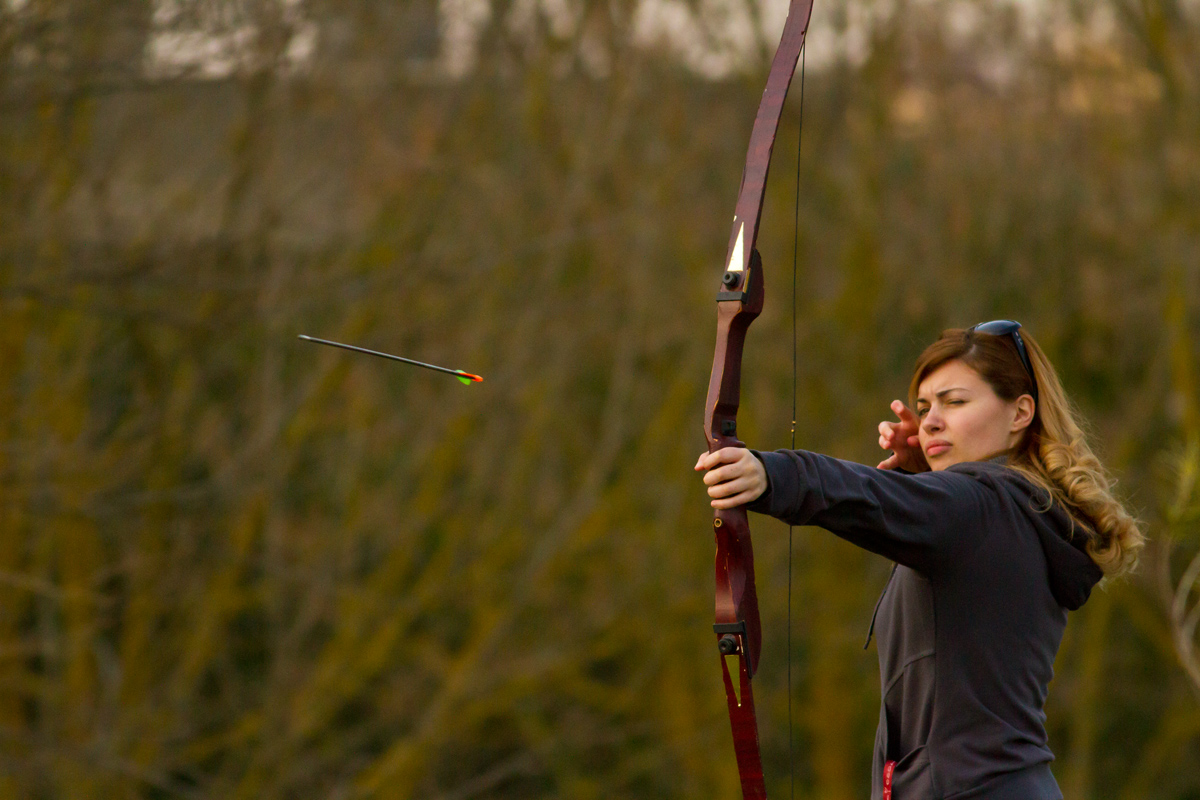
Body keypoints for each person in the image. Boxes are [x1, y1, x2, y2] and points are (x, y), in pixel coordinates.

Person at [694, 321, 1144, 800]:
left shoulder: (983, 508)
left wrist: (773, 475)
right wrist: (922, 481)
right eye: (925, 407)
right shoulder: (1018, 514)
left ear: (1020, 413)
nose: (930, 421)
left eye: (955, 402)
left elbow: (871, 496)